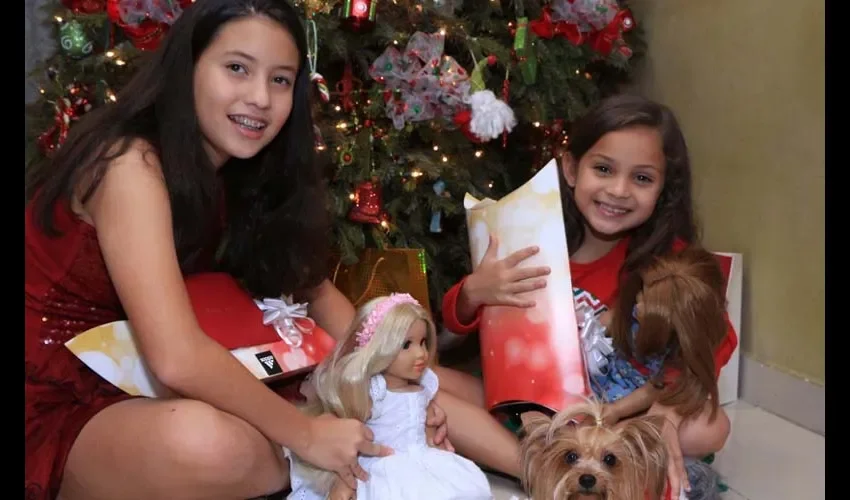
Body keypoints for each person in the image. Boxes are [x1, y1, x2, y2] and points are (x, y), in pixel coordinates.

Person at [25, 1, 448, 499]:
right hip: (55, 393)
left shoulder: (244, 170)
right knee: (209, 444)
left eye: (280, 80)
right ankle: (328, 460)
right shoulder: (129, 164)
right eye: (237, 68)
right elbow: (178, 357)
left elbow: (318, 297)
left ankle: (357, 451)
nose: (260, 98)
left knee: (399, 390)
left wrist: (411, 396)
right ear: (187, 68)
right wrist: (306, 434)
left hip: (145, 386)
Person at [436, 94, 738, 497]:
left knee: (711, 426)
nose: (619, 190)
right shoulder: (531, 237)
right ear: (571, 168)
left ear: (664, 188)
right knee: (420, 383)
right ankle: (545, 471)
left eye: (642, 178)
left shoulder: (671, 260)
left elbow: (717, 338)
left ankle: (589, 464)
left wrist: (666, 410)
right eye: (604, 169)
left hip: (617, 417)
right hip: (527, 409)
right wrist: (474, 291)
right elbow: (454, 322)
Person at [287, 294, 493, 500]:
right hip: (384, 465)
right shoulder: (373, 391)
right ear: (379, 348)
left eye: (423, 342)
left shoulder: (424, 385)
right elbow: (350, 436)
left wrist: (434, 445)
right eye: (406, 345)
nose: (421, 353)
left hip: (423, 458)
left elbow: (427, 428)